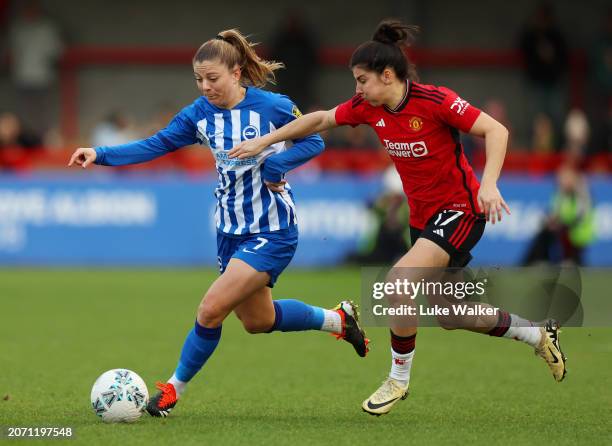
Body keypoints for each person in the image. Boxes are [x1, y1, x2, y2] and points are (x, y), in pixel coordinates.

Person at [230, 20, 567, 416]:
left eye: (361, 80)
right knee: (452, 315)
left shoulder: (436, 101)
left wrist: (488, 184)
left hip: (459, 210)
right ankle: (537, 333)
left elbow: (496, 130)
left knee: (398, 283)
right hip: (423, 219)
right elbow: (320, 119)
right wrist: (266, 141)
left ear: (386, 75)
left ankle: (398, 380)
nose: (356, 90)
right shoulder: (369, 109)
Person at [68, 29, 368, 418]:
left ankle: (172, 390)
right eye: (198, 79)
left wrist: (277, 162)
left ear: (237, 73)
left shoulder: (272, 106)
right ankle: (338, 320)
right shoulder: (198, 114)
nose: (205, 87)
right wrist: (100, 153)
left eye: (213, 78)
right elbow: (156, 144)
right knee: (258, 321)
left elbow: (315, 141)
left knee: (210, 309)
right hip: (229, 231)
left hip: (272, 229)